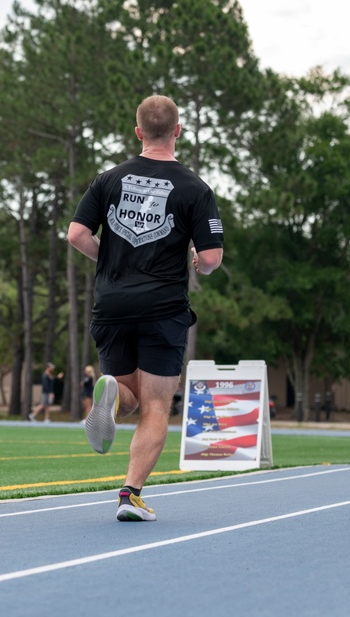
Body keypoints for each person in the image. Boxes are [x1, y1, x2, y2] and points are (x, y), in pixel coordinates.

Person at [67, 95, 224, 522]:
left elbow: (77, 234)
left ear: (138, 132)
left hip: (113, 302)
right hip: (163, 306)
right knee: (155, 405)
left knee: (129, 398)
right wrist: (197, 262)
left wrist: (113, 260)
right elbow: (210, 259)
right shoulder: (195, 189)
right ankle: (129, 495)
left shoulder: (108, 179)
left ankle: (111, 397)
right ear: (177, 131)